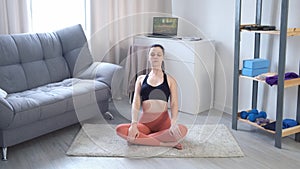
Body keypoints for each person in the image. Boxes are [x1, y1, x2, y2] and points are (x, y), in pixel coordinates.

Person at [116, 44, 188, 150]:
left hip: (164, 124)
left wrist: (173, 123)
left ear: (163, 58)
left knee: (182, 130)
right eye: (152, 54)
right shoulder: (140, 79)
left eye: (159, 55)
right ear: (149, 57)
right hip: (145, 124)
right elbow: (136, 103)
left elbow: (174, 104)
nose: (155, 57)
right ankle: (165, 143)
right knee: (119, 129)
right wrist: (134, 124)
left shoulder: (170, 80)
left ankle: (141, 140)